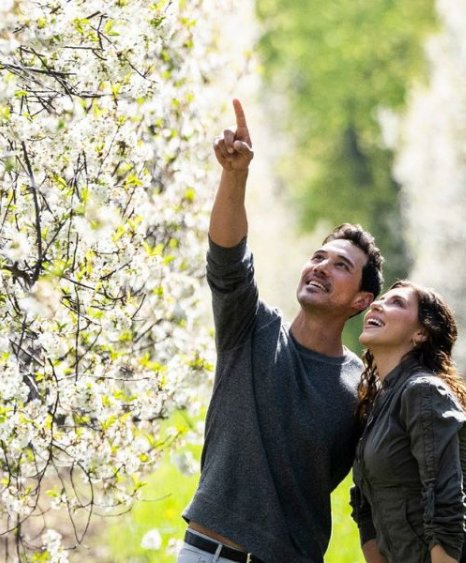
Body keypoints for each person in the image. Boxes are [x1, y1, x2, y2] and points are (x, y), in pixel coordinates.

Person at [178, 99, 384, 563]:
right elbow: (228, 261)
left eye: (340, 266)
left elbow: (371, 496)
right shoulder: (250, 328)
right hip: (207, 555)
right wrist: (235, 175)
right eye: (318, 256)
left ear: (361, 302)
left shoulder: (362, 390)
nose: (321, 267)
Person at [350, 281, 466, 563]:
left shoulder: (423, 391)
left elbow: (445, 498)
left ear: (420, 333)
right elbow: (365, 508)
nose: (377, 305)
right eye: (380, 299)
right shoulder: (377, 405)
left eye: (397, 303)